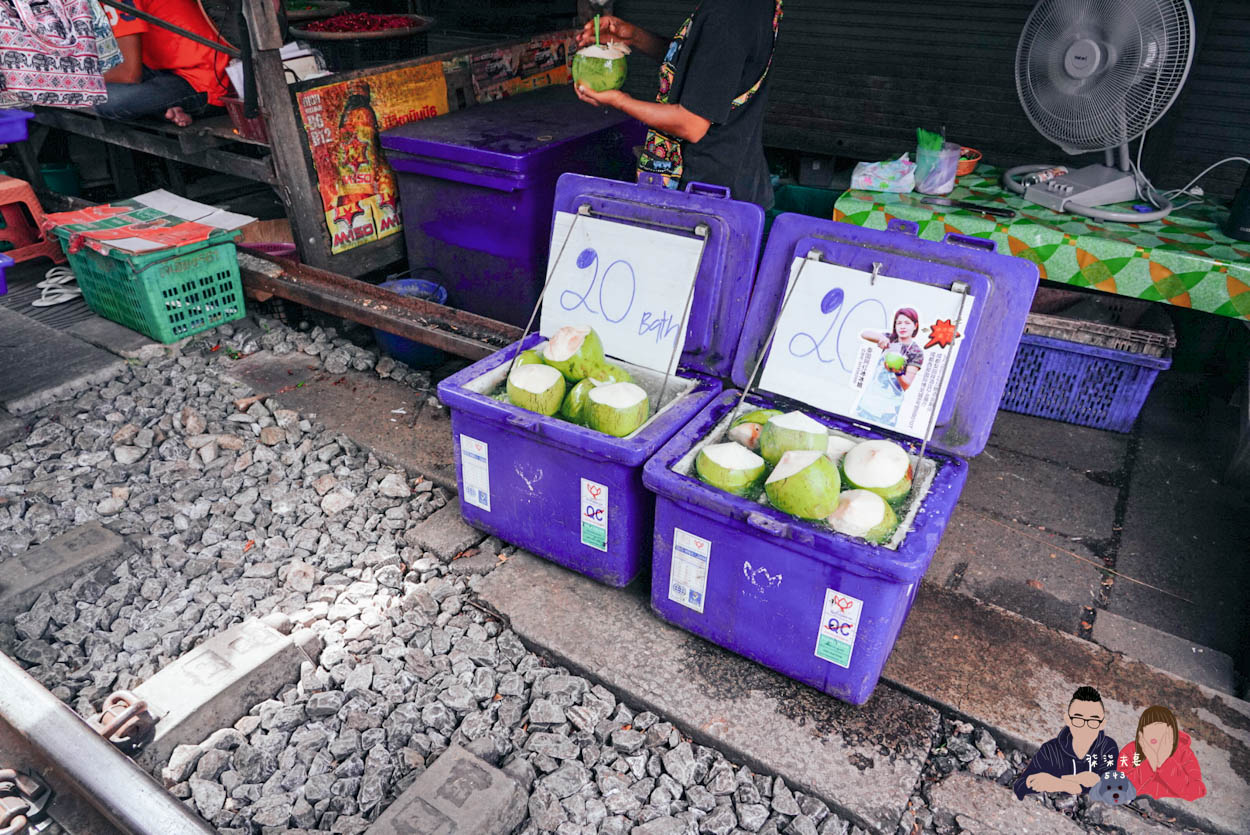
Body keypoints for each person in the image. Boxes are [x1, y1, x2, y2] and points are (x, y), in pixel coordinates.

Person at [574, 0, 782, 208]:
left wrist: (619, 100)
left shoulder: (728, 13)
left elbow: (690, 124)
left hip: (705, 197)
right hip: (737, 179)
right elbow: (706, 63)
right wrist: (635, 37)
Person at [96, 0, 230, 126]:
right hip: (162, 67)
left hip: (202, 80)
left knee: (106, 100)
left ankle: (166, 109)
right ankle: (167, 109)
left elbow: (129, 74)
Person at [1014, 686, 1120, 799]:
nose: (1085, 727)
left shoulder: (1107, 748)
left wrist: (1061, 782)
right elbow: (1020, 787)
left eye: (1093, 721)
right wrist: (1068, 783)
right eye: (1078, 720)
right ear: (1068, 720)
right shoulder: (1051, 750)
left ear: (1102, 724)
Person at [1119, 705, 1206, 801]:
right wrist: (1149, 764)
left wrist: (1166, 763)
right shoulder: (1132, 750)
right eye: (1148, 729)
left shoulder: (1184, 753)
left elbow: (1196, 792)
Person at [855, 308, 924, 426]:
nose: (902, 326)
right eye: (899, 323)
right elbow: (864, 334)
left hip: (889, 408)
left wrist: (898, 373)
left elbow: (906, 384)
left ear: (915, 326)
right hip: (869, 400)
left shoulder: (916, 352)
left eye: (907, 323)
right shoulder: (890, 339)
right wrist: (881, 338)